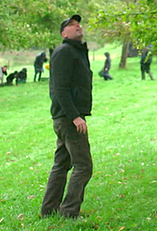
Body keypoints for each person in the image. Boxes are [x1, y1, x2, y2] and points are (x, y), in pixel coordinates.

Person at [41, 14, 93, 219]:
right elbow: (59, 89)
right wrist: (75, 116)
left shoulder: (75, 51)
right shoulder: (64, 52)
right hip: (69, 118)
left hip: (66, 117)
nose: (78, 26)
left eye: (78, 24)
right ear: (64, 33)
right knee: (83, 166)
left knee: (62, 164)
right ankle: (70, 212)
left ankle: (49, 209)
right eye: (72, 25)